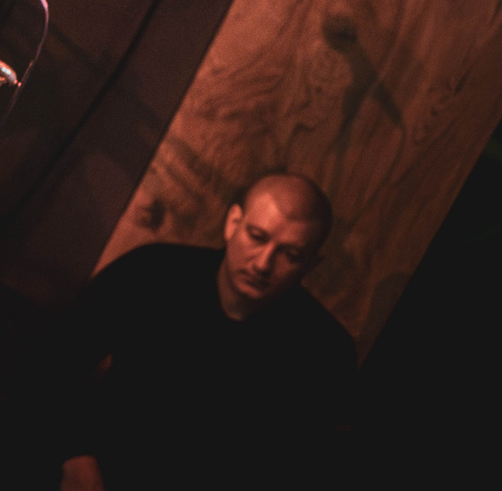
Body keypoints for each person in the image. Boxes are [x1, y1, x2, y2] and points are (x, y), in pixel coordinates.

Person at [45, 172, 357, 491]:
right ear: (233, 223)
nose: (263, 264)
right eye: (257, 237)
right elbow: (49, 362)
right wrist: (73, 454)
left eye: (290, 255)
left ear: (311, 265)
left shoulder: (326, 351)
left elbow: (305, 469)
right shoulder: (152, 272)